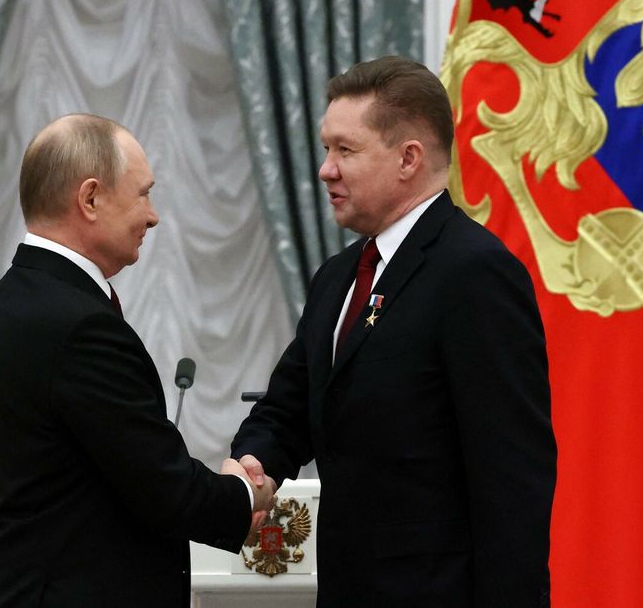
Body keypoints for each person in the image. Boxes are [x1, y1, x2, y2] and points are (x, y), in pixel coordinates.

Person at [231, 56, 556, 606]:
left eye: (345, 150)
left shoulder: (474, 273)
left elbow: (512, 482)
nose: (325, 169)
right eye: (325, 148)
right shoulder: (337, 278)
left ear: (409, 158)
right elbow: (291, 406)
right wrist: (254, 464)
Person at [0, 113, 275, 607]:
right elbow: (162, 486)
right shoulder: (76, 324)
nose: (152, 216)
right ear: (90, 199)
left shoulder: (9, 299)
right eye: (143, 194)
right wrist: (244, 495)